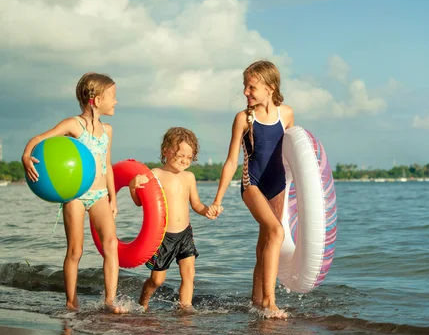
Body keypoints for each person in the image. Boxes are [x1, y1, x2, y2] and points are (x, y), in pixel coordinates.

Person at [22, 72, 124, 313]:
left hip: (99, 195)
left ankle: (110, 301)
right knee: (75, 250)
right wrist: (26, 155)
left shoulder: (107, 130)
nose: (116, 101)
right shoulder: (72, 125)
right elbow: (39, 139)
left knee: (111, 244)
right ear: (97, 100)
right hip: (75, 195)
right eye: (113, 96)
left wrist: (113, 197)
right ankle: (71, 302)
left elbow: (107, 165)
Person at [210, 60, 294, 318]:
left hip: (277, 185)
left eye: (251, 87)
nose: (246, 92)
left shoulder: (286, 114)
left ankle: (256, 300)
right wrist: (217, 199)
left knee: (266, 242)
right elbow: (232, 161)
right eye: (245, 86)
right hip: (252, 183)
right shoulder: (244, 118)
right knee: (276, 232)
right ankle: (270, 301)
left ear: (270, 88)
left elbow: (292, 154)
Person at [130, 127, 216, 312]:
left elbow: (197, 205)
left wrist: (208, 211)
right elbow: (139, 202)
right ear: (166, 151)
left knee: (189, 273)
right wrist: (132, 187)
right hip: (163, 237)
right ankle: (142, 304)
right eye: (180, 155)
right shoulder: (155, 174)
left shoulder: (189, 177)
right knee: (157, 280)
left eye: (189, 157)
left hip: (185, 233)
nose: (185, 160)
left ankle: (185, 309)